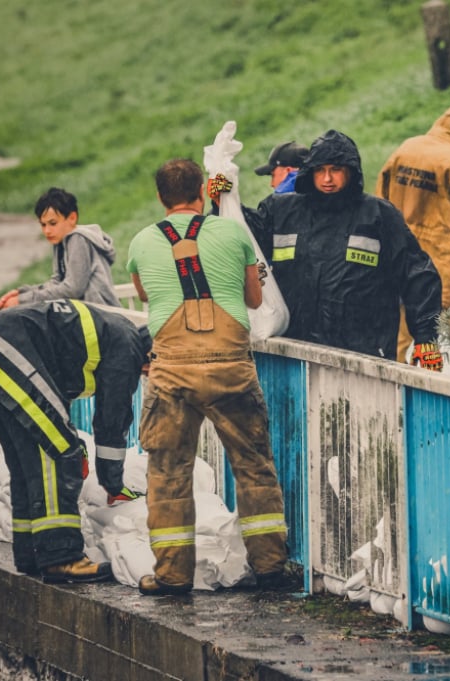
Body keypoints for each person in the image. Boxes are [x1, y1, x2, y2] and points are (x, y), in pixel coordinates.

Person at [127, 158, 290, 595]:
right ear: (201, 192)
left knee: (167, 473)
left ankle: (172, 575)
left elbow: (145, 293)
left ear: (161, 197)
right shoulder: (233, 233)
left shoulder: (142, 242)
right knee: (254, 467)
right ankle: (272, 567)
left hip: (172, 373)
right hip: (230, 369)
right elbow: (255, 300)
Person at [0, 299, 152, 583]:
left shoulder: (115, 333)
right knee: (59, 453)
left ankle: (31, 554)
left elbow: (55, 389)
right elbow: (112, 420)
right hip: (10, 349)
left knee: (29, 462)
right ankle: (62, 558)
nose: (149, 375)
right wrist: (113, 484)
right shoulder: (128, 348)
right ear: (154, 352)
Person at [249, 129, 445, 369]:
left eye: (335, 170)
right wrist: (223, 200)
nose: (327, 179)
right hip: (294, 354)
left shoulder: (379, 216)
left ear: (351, 171)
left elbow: (417, 275)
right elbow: (240, 235)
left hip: (364, 357)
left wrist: (426, 339)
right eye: (320, 170)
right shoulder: (282, 212)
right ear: (309, 172)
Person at [376, 100, 450, 362]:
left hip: (396, 259)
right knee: (439, 343)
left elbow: (380, 199)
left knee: (396, 340)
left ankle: (391, 395)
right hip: (438, 266)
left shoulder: (407, 147)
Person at [0, 187, 120, 311]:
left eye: (53, 223)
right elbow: (56, 282)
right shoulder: (60, 240)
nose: (47, 231)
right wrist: (22, 293)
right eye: (43, 224)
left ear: (72, 218)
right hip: (83, 313)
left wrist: (23, 300)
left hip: (103, 316)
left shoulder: (78, 239)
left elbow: (73, 289)